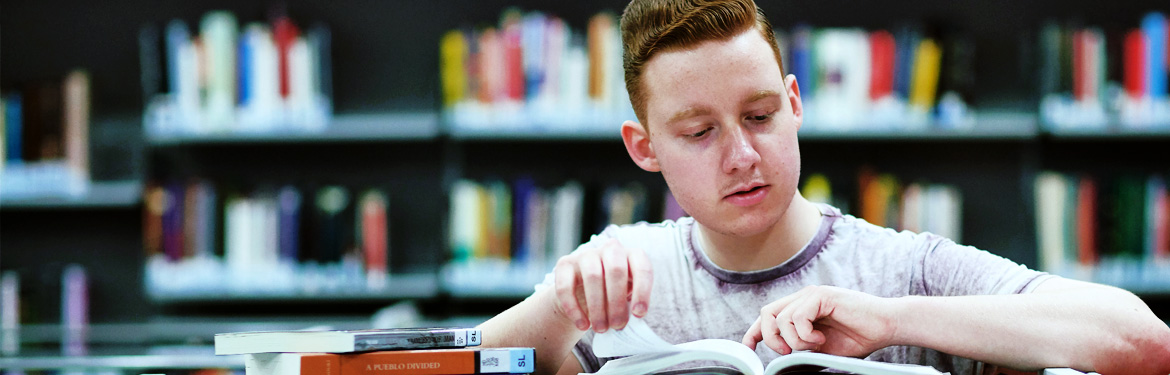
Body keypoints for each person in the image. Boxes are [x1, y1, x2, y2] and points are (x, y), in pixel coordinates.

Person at [478, 0, 1170, 374]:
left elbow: (1143, 343)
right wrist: (564, 307)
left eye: (759, 115)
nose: (743, 154)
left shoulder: (903, 267)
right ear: (645, 148)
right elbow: (438, 363)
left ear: (796, 103)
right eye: (699, 133)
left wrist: (891, 319)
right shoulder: (618, 271)